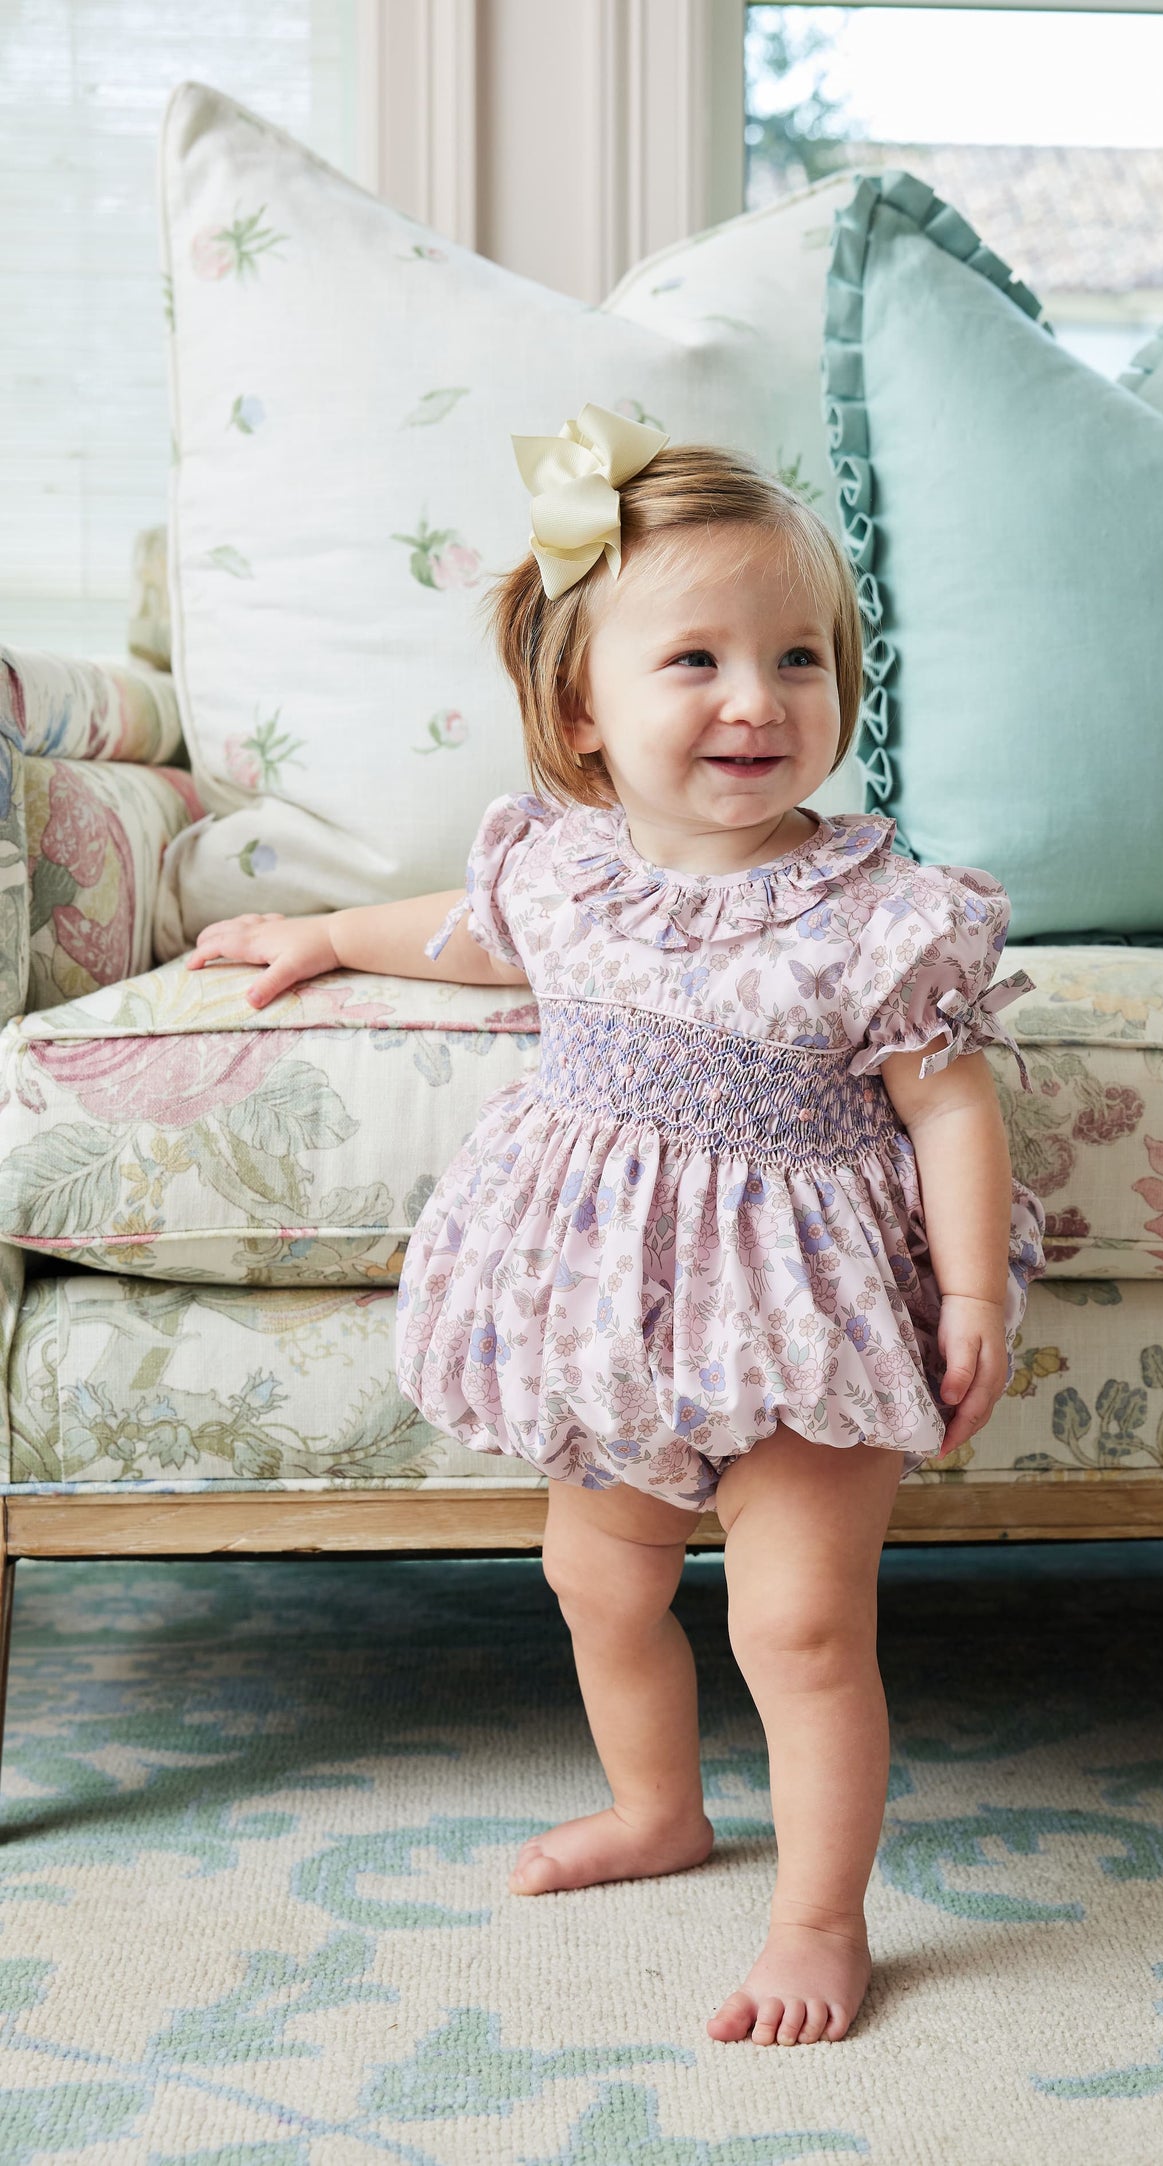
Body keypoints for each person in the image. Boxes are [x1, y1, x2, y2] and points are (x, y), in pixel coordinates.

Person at [188, 403, 1048, 2049]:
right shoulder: (561, 871)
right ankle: (658, 1806)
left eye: (800, 659)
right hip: (609, 1307)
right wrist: (315, 931)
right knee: (594, 1574)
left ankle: (818, 1914)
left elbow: (947, 1100)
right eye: (699, 661)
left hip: (809, 1306)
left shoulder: (876, 913)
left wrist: (966, 1287)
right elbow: (459, 934)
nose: (757, 700)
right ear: (580, 706)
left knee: (796, 1619)